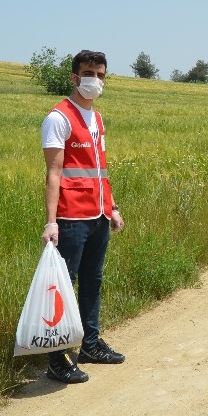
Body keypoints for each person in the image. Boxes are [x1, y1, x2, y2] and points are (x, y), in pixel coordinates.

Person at [40, 50, 126, 384]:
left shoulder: (97, 118)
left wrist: (113, 207)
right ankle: (58, 359)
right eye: (90, 73)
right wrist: (51, 222)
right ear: (75, 77)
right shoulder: (59, 117)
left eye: (101, 74)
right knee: (63, 287)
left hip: (99, 213)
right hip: (71, 217)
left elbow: (100, 169)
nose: (96, 80)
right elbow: (53, 172)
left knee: (94, 281)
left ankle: (90, 344)